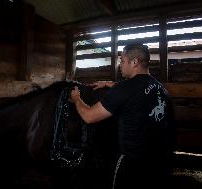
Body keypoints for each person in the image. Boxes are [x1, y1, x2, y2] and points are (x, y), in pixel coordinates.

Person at [70, 44, 175, 189]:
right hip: (161, 162)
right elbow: (136, 92)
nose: (120, 65)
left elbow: (88, 116)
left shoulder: (124, 88)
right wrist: (109, 84)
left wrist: (76, 99)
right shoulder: (161, 89)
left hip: (133, 165)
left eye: (123, 60)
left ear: (135, 62)